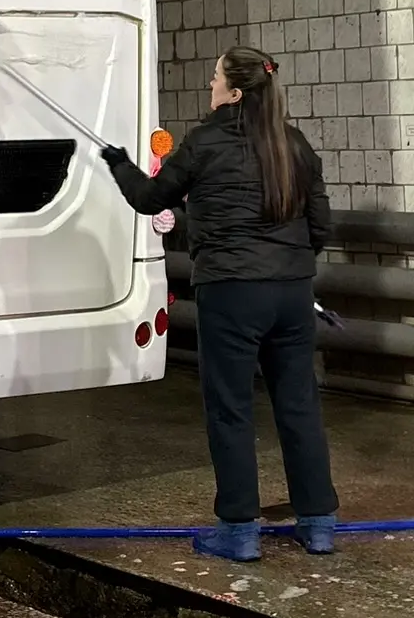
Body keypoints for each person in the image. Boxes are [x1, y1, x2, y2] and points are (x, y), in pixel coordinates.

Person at [102, 47, 338, 563]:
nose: (208, 87)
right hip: (294, 291)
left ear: (233, 91)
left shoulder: (205, 142)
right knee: (298, 405)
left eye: (213, 79)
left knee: (231, 410)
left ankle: (238, 530)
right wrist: (288, 263)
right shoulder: (295, 145)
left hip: (231, 293)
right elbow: (321, 228)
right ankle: (318, 523)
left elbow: (150, 197)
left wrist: (118, 164)